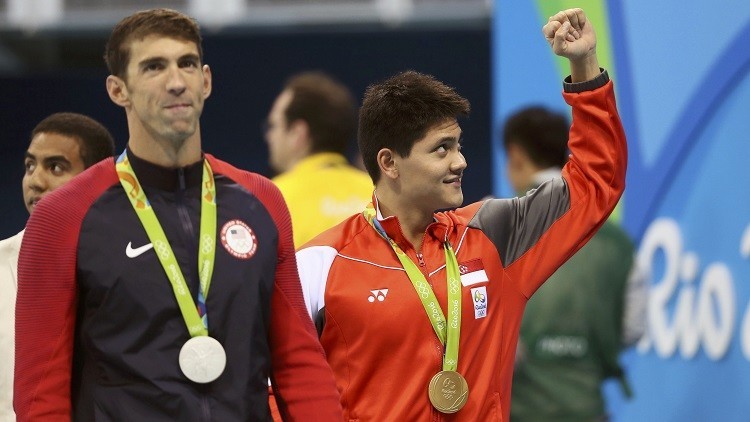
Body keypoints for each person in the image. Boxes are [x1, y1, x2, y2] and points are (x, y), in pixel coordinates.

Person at [295, 8, 627, 420]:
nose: (461, 161)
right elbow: (275, 385)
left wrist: (584, 68)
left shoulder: (496, 235)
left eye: (458, 145)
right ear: (389, 162)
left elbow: (596, 181)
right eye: (442, 149)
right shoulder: (318, 265)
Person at [14, 8, 341, 421]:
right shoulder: (64, 216)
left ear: (205, 81)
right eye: (154, 67)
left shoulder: (261, 201)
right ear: (119, 90)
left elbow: (298, 360)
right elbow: (41, 391)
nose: (175, 82)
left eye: (186, 64)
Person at [504, 106, 647, 421]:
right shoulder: (618, 244)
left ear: (515, 155)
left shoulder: (492, 231)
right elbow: (633, 328)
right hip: (589, 409)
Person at [0, 112, 115, 422]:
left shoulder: (133, 269)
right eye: (29, 166)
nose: (35, 181)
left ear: (95, 180)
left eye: (55, 167)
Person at [265, 71, 373, 248]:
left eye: (274, 125)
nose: (269, 136)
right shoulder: (382, 195)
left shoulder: (274, 198)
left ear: (297, 133)